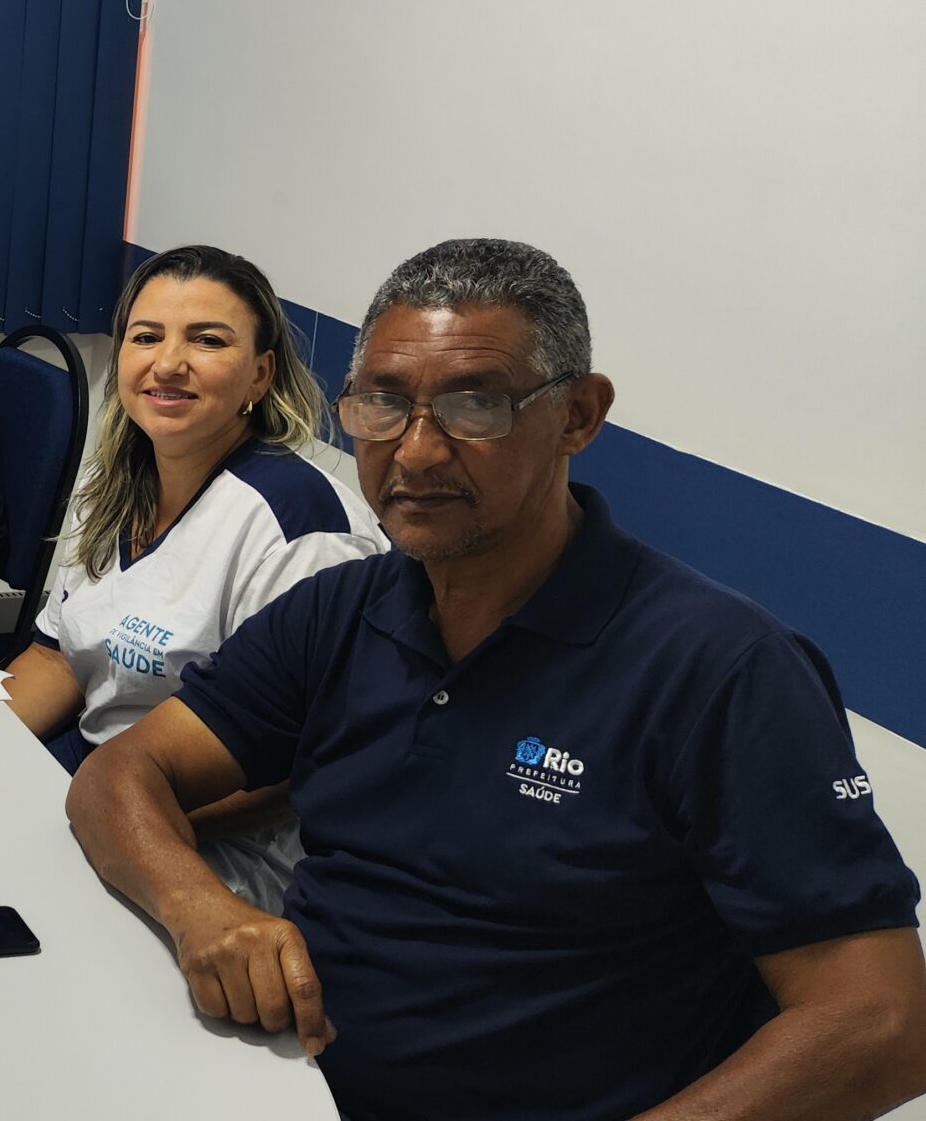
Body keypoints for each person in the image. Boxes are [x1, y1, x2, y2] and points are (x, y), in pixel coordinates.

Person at [64, 238, 926, 1120]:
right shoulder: (341, 611)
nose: (416, 452)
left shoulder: (719, 670)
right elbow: (120, 774)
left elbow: (882, 1023)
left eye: (475, 405)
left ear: (578, 416)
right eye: (383, 404)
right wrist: (202, 910)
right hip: (274, 1083)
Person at [3, 245, 383, 914]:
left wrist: (117, 825)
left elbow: (299, 774)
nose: (168, 362)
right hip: (94, 780)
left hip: (214, 848)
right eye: (146, 336)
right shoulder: (115, 479)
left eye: (207, 340)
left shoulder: (301, 531)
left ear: (260, 374)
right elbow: (57, 659)